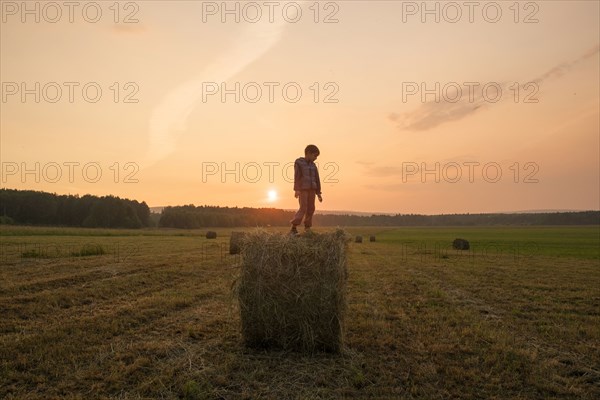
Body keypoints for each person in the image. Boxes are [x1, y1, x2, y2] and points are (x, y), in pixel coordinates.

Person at [290, 144, 322, 235]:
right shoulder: (299, 163)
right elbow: (297, 176)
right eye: (315, 155)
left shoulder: (313, 165)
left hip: (312, 190)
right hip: (303, 189)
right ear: (308, 153)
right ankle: (294, 227)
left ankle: (307, 228)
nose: (316, 158)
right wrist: (296, 189)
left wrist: (318, 193)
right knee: (303, 208)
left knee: (311, 208)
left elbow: (317, 178)